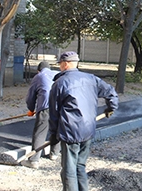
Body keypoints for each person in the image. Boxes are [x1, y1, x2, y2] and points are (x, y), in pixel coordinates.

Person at [48, 51, 119, 191]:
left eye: (60, 63)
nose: (59, 66)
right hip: (88, 129)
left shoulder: (59, 83)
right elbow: (111, 92)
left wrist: (53, 136)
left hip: (70, 132)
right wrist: (111, 107)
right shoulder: (91, 78)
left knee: (69, 170)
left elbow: (54, 113)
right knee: (80, 165)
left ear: (66, 64)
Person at [21, 61, 61, 169]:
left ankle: (34, 160)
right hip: (60, 107)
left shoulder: (38, 77)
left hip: (46, 108)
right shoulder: (57, 74)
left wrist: (31, 109)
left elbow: (31, 96)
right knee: (56, 130)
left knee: (40, 132)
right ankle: (54, 154)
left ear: (39, 70)